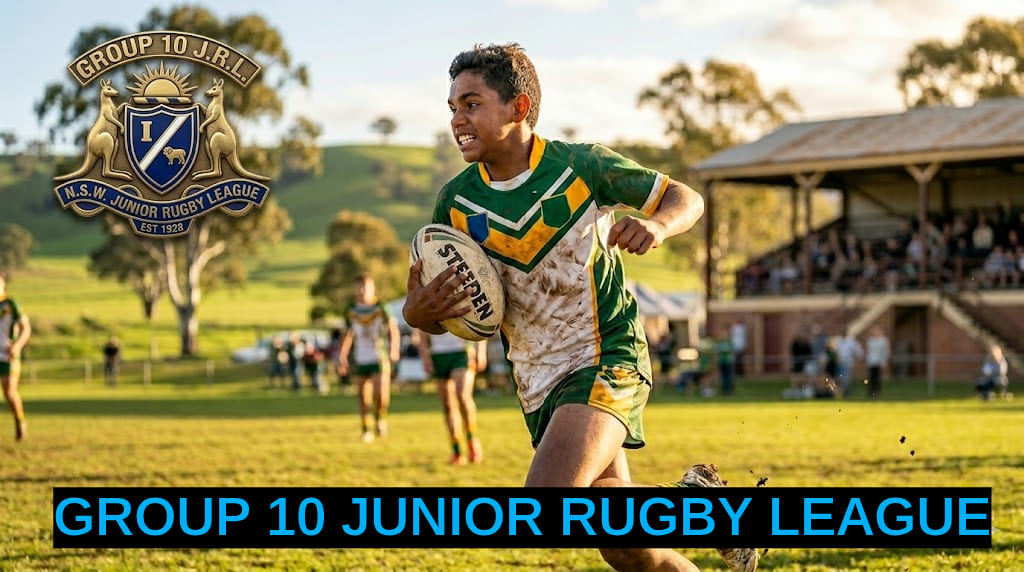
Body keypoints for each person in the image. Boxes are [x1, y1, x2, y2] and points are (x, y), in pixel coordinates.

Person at [402, 43, 756, 572]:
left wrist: (658, 224)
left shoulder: (582, 166)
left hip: (605, 356)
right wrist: (419, 311)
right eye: (452, 107)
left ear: (519, 108)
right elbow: (429, 310)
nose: (458, 119)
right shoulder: (454, 204)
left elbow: (685, 197)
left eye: (471, 104)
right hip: (537, 382)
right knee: (628, 548)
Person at [339, 274, 400, 443]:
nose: (362, 290)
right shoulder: (350, 309)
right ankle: (366, 429)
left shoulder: (381, 307)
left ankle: (380, 419)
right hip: (360, 358)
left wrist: (394, 349)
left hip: (379, 356)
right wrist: (342, 355)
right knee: (362, 396)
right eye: (359, 286)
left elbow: (393, 329)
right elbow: (347, 334)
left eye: (366, 286)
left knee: (381, 395)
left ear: (372, 288)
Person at [419, 331, 486, 465]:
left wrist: (481, 351)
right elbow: (421, 328)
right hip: (438, 354)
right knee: (447, 405)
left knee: (462, 396)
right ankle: (456, 451)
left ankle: (472, 441)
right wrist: (425, 356)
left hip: (461, 351)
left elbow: (480, 320)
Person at [0, 272, 31, 442]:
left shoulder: (11, 304)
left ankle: (19, 421)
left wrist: (17, 346)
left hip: (7, 355)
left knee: (9, 391)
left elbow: (25, 327)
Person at [835, 331, 864, 397]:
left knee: (846, 378)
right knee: (840, 378)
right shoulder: (839, 341)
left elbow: (858, 351)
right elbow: (837, 351)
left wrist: (857, 358)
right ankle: (842, 392)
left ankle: (847, 392)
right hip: (840, 362)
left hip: (848, 361)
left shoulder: (851, 342)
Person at [865, 327, 890, 398]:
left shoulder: (884, 340)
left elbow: (886, 351)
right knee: (871, 377)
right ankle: (870, 392)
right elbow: (868, 351)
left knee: (878, 378)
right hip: (871, 361)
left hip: (879, 361)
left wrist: (884, 361)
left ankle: (877, 391)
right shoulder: (870, 340)